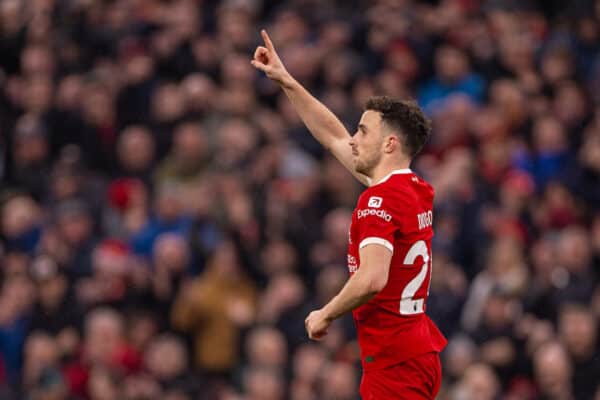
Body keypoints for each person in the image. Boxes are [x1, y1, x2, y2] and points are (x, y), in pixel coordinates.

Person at [251, 30, 447, 399]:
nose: (353, 138)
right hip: (415, 352)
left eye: (363, 130)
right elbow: (333, 137)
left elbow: (372, 278)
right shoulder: (414, 189)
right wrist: (286, 80)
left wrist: (325, 313)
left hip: (394, 364)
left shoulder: (379, 201)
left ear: (390, 143)